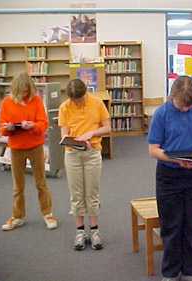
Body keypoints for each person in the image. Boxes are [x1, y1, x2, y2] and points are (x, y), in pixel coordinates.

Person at [147, 76, 192, 281]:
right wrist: (176, 160)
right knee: (171, 225)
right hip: (169, 174)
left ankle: (190, 270)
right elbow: (153, 149)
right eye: (180, 105)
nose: (184, 109)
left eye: (188, 105)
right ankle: (169, 272)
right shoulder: (162, 113)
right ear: (172, 96)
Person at [0, 71, 58, 231]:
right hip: (16, 148)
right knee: (18, 186)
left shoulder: (36, 100)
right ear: (16, 89)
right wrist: (9, 128)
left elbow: (43, 123)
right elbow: (2, 128)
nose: (25, 94)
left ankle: (48, 214)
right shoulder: (6, 102)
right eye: (22, 91)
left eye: (27, 90)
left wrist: (32, 126)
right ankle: (18, 216)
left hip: (35, 146)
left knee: (41, 182)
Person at [58, 79, 111, 251]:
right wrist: (75, 142)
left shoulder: (96, 103)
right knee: (76, 194)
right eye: (74, 101)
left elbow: (107, 128)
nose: (77, 103)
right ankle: (80, 231)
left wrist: (91, 133)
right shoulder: (64, 107)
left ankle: (94, 230)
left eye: (79, 100)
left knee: (92, 193)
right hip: (72, 153)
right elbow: (64, 134)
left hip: (92, 152)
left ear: (85, 94)